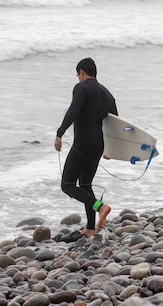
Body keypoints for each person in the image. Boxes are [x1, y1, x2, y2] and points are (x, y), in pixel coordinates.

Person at [54, 57, 118, 237]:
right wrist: (111, 148)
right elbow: (115, 123)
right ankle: (90, 228)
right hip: (98, 145)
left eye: (78, 75)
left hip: (83, 143)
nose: (78, 78)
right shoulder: (107, 94)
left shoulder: (81, 88)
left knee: (67, 184)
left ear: (82, 72)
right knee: (85, 184)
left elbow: (73, 110)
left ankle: (101, 207)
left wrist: (59, 133)